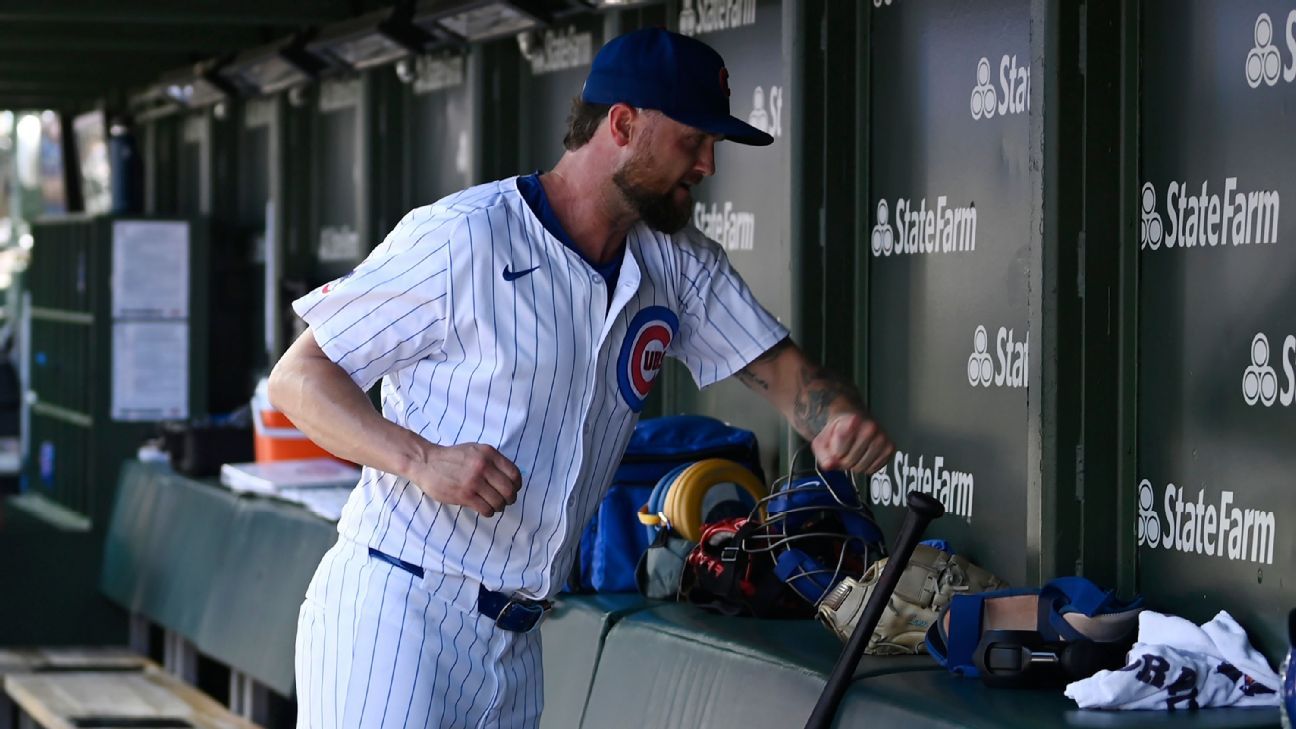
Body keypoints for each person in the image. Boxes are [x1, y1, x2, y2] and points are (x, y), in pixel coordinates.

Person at [269, 27, 894, 729]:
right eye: (694, 140)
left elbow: (789, 379)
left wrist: (835, 418)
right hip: (401, 608)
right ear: (623, 124)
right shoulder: (465, 235)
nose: (709, 164)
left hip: (518, 636)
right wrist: (421, 459)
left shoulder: (677, 263)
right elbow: (298, 379)